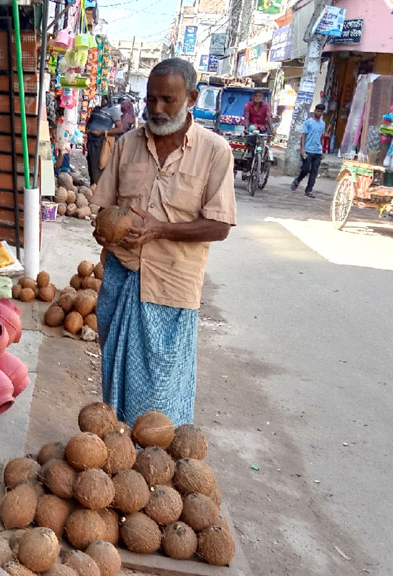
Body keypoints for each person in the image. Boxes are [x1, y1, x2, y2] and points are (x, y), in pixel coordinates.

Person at [92, 58, 236, 427]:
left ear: (191, 97)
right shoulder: (127, 144)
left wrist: (161, 230)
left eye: (168, 100)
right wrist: (104, 229)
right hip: (120, 276)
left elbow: (219, 226)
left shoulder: (215, 151)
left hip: (171, 284)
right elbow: (104, 206)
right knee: (115, 379)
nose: (156, 109)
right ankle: (119, 454)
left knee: (160, 392)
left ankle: (157, 463)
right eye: (151, 99)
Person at [291, 103, 326, 198]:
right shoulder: (309, 122)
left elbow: (321, 137)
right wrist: (302, 149)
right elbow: (303, 135)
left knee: (314, 172)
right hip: (308, 150)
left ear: (322, 113)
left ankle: (309, 190)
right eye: (317, 111)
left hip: (317, 151)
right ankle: (298, 180)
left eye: (321, 111)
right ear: (315, 111)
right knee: (306, 169)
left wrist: (322, 150)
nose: (319, 113)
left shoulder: (323, 124)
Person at [86, 95, 122, 185]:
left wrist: (102, 132)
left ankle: (98, 188)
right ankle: (93, 186)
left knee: (98, 167)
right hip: (91, 140)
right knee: (91, 166)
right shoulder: (96, 108)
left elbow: (119, 129)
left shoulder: (113, 110)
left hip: (100, 142)